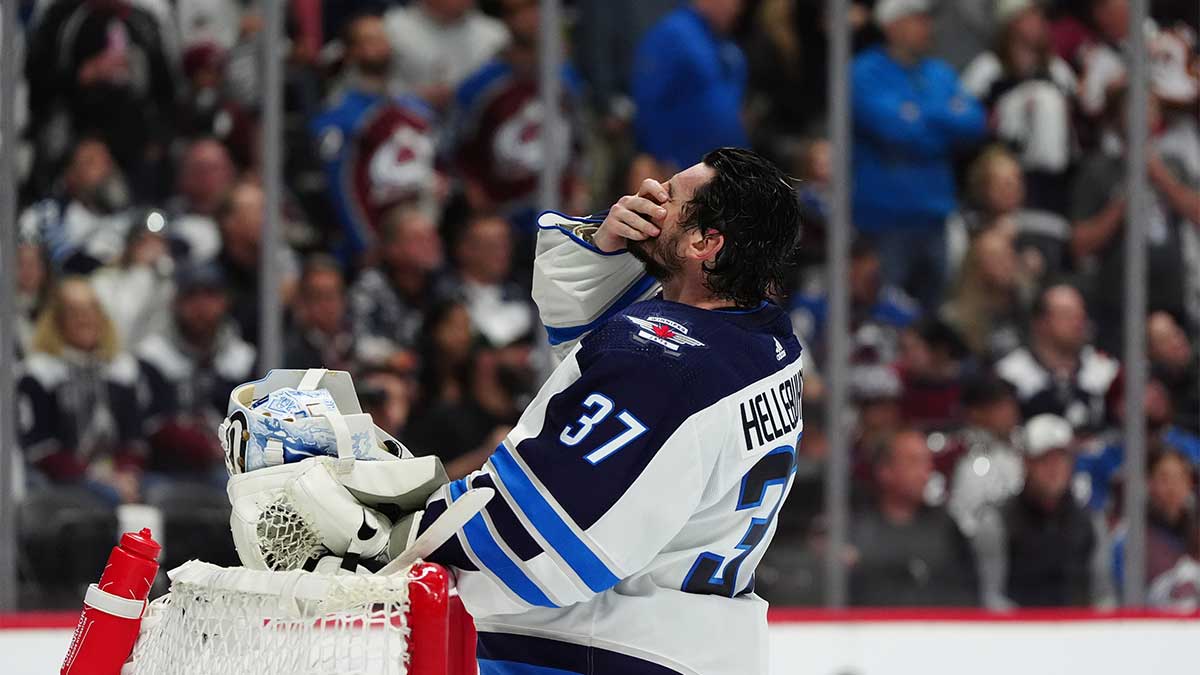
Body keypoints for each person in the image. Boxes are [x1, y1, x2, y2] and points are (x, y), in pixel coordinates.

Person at [406, 147, 803, 673]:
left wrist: (408, 531)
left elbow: (548, 545)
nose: (650, 194)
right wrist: (605, 246)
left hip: (601, 649)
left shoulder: (660, 363)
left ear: (705, 242)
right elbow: (592, 347)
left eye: (671, 196)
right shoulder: (765, 340)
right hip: (697, 647)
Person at [851, 0, 986, 311]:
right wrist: (943, 120)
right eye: (918, 19)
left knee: (933, 319)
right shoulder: (864, 72)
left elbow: (974, 123)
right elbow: (893, 130)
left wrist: (918, 113)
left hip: (935, 217)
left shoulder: (940, 72)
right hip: (884, 221)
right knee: (885, 313)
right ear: (892, 25)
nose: (928, 27)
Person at [1069, 88, 1200, 352]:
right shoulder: (1098, 169)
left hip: (1172, 301)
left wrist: (1161, 178)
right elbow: (1079, 244)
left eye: (1151, 106)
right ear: (1117, 116)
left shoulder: (1175, 165)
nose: (1143, 114)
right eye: (1134, 106)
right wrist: (1121, 204)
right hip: (1117, 305)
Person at [311, 12, 440, 260]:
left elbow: (437, 164)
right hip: (368, 246)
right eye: (369, 40)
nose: (379, 46)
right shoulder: (339, 115)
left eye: (382, 39)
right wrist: (366, 244)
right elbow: (341, 188)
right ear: (351, 52)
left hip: (421, 238)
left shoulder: (414, 109)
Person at [450, 0, 586, 230]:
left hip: (560, 212)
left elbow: (579, 141)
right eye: (519, 11)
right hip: (503, 215)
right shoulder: (481, 85)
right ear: (506, 19)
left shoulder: (565, 77)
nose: (531, 18)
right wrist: (475, 194)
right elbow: (456, 149)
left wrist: (578, 188)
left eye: (535, 8)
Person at [16, 277, 147, 505]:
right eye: (74, 312)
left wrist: (127, 474)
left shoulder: (121, 368)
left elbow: (133, 438)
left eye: (91, 310)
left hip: (117, 475)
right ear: (56, 320)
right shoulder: (39, 373)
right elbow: (40, 449)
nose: (85, 319)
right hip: (58, 478)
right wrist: (97, 477)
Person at [137, 263, 255, 483]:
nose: (201, 306)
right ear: (176, 303)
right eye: (191, 296)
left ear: (224, 301)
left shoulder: (242, 358)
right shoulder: (154, 355)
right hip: (167, 469)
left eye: (210, 295)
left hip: (229, 467)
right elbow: (149, 426)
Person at [960, 1, 1078, 210]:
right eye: (1031, 15)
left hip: (1050, 186)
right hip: (1000, 180)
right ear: (1012, 22)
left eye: (1040, 15)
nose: (1039, 22)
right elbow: (967, 122)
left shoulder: (1057, 70)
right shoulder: (986, 69)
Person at [849, 429, 979, 606]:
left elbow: (969, 593)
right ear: (884, 470)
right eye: (914, 462)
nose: (925, 473)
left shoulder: (946, 528)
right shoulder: (856, 530)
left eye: (927, 463)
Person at [631, 0, 749, 173]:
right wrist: (659, 157)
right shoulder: (672, 34)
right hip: (680, 168)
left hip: (725, 170)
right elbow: (648, 101)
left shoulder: (726, 43)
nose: (737, 7)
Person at [999, 414, 1098, 607]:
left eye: (1062, 459)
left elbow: (1102, 593)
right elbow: (992, 596)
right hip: (1020, 631)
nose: (1055, 469)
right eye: (1045, 459)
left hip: (1080, 631)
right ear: (1026, 463)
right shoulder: (1000, 522)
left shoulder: (1088, 521)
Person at [995, 284, 1120, 435]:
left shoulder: (1106, 370)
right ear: (1040, 322)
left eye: (1081, 315)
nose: (1078, 323)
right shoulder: (1009, 374)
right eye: (1067, 315)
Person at [350, 206, 458, 371]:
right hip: (382, 372)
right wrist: (389, 356)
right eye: (418, 239)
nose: (432, 244)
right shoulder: (370, 286)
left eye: (432, 236)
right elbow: (357, 341)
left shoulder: (444, 286)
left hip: (430, 373)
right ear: (393, 248)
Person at [18, 138, 134, 274]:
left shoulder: (136, 221)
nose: (105, 168)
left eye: (107, 159)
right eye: (91, 162)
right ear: (70, 176)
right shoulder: (44, 218)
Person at [383, 0, 509, 111]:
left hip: (478, 128)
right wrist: (413, 98)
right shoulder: (390, 30)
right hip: (405, 126)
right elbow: (371, 93)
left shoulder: (497, 35)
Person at [448, 214, 536, 348]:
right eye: (492, 246)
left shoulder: (525, 294)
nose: (502, 254)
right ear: (465, 250)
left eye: (506, 245)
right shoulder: (447, 297)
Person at [1148, 312, 1199, 433]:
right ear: (1152, 351)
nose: (1177, 342)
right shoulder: (1153, 385)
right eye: (1165, 339)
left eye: (1176, 333)